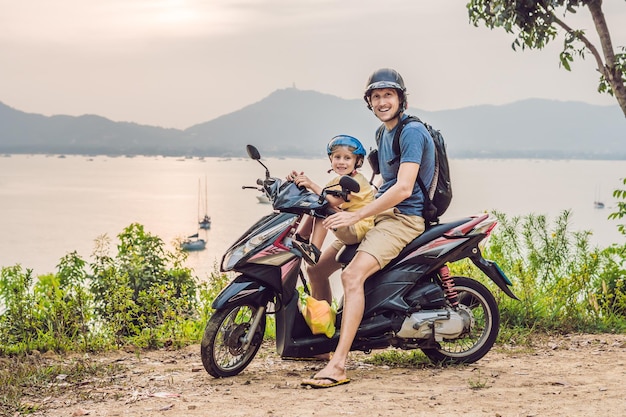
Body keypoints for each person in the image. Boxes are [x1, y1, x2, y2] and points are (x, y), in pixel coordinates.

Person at [301, 68, 436, 388]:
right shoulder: (382, 134)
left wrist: (354, 216)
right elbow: (380, 183)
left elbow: (403, 189)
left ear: (401, 99)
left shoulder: (411, 132)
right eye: (375, 97)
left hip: (403, 218)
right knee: (318, 269)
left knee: (351, 275)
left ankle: (339, 364)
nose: (382, 101)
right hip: (380, 213)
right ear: (369, 103)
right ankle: (324, 343)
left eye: (388, 95)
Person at [288, 135, 375, 305]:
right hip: (346, 229)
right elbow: (318, 198)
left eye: (347, 158)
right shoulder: (338, 180)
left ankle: (312, 248)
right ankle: (322, 318)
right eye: (337, 157)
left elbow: (332, 201)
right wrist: (297, 182)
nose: (341, 162)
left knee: (323, 207)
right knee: (314, 270)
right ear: (331, 159)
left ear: (357, 161)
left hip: (358, 230)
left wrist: (311, 184)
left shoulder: (355, 182)